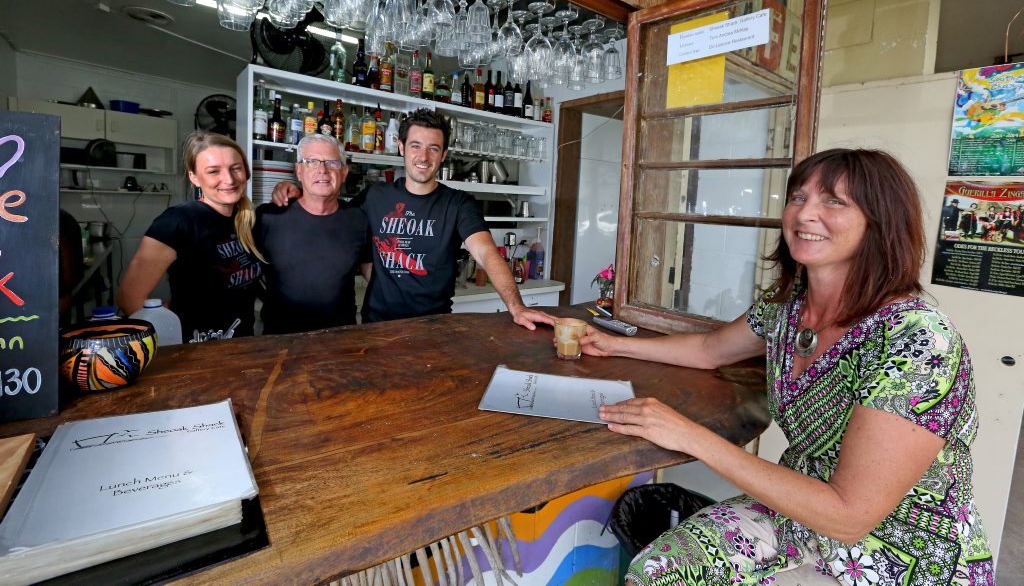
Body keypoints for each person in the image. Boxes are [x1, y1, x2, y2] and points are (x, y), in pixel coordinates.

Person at [585, 149, 993, 586]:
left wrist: (689, 435)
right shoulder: (788, 305)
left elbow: (849, 516)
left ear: (881, 222)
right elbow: (709, 349)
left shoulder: (916, 338)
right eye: (797, 197)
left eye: (834, 201)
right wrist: (610, 345)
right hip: (798, 514)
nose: (805, 214)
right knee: (653, 571)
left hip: (901, 552)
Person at [273, 109, 553, 329]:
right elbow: (334, 217)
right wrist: (296, 190)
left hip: (434, 329)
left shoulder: (457, 203)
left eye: (433, 148)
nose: (423, 156)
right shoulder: (374, 197)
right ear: (401, 147)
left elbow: (487, 254)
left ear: (443, 155)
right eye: (416, 145)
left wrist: (516, 307)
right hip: (377, 328)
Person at [118, 132, 264, 342]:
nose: (229, 179)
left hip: (241, 347)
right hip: (193, 352)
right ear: (194, 177)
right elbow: (129, 298)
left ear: (246, 172)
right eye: (214, 171)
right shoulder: (178, 221)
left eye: (236, 168)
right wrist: (168, 332)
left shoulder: (247, 220)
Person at [255, 134, 371, 334]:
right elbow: (241, 273)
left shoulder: (358, 219)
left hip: (340, 340)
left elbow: (374, 274)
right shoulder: (268, 217)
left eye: (332, 163)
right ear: (299, 171)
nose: (322, 170)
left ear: (344, 172)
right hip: (279, 342)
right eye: (311, 162)